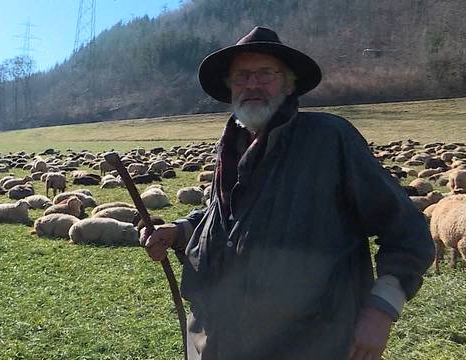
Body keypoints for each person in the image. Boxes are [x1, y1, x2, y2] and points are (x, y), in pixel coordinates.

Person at [141, 27, 434, 360]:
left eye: (265, 74)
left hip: (310, 343)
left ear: (289, 83)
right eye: (241, 76)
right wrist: (179, 231)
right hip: (218, 340)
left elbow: (407, 230)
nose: (252, 84)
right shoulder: (230, 148)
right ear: (230, 87)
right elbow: (227, 219)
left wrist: (381, 310)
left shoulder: (329, 140)